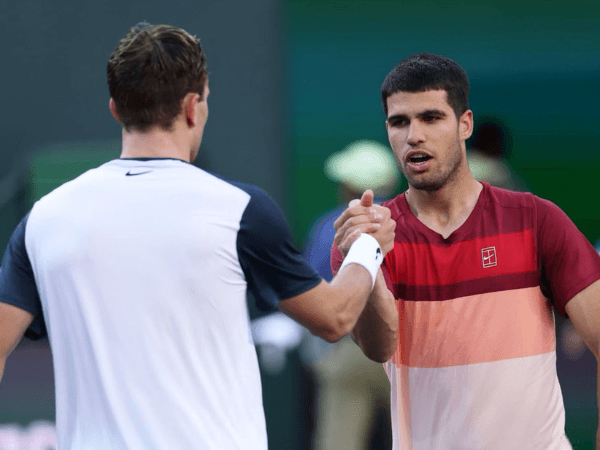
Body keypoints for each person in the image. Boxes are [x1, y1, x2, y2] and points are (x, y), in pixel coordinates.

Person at [0, 23, 397, 450]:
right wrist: (368, 245)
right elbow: (334, 318)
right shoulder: (239, 209)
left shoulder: (44, 218)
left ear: (116, 108)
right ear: (194, 107)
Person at [331, 53, 600, 449]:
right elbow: (378, 346)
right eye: (399, 122)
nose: (414, 136)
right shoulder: (367, 237)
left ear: (464, 124)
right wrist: (367, 257)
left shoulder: (537, 220)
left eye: (431, 118)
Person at [303, 140, 398, 450]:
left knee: (339, 443)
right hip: (407, 352)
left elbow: (313, 292)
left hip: (347, 349)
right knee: (422, 437)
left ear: (350, 185)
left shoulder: (328, 226)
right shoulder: (413, 223)